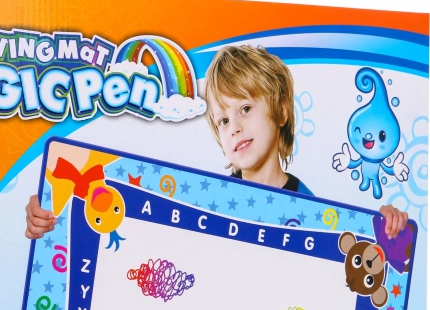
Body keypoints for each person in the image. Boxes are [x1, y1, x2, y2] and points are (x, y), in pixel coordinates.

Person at [25, 44, 408, 240]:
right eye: (223, 120)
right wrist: (54, 217)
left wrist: (387, 229)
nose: (234, 127)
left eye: (246, 109)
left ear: (281, 111)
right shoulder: (200, 203)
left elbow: (344, 268)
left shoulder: (314, 213)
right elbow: (130, 235)